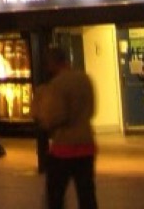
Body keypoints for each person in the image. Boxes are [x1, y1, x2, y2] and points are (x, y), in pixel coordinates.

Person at [32, 46, 98, 209]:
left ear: (53, 63)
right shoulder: (85, 79)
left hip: (64, 146)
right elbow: (92, 109)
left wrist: (42, 116)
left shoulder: (57, 84)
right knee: (86, 193)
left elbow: (55, 116)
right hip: (87, 143)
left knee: (55, 193)